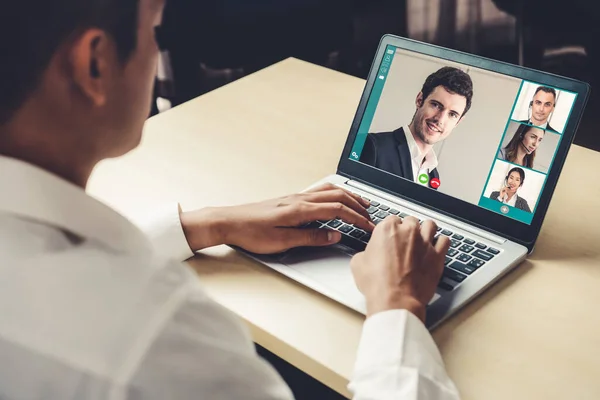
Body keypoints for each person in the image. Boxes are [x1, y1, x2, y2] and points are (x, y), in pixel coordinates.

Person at [0, 0, 459, 399]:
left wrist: (207, 224)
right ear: (94, 65)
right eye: (154, 33)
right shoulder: (152, 340)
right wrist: (398, 304)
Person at [359, 66, 474, 189]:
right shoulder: (373, 146)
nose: (440, 119)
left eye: (452, 114)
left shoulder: (433, 174)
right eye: (436, 105)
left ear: (458, 122)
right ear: (419, 100)